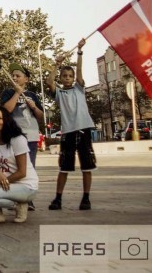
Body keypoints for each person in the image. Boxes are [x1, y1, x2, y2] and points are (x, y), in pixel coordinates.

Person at [45, 38, 95, 211]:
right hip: (68, 132)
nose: (67, 78)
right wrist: (56, 64)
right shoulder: (59, 93)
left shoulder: (79, 89)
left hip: (83, 130)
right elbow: (49, 81)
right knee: (64, 167)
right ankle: (58, 199)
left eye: (70, 76)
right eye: (64, 76)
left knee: (87, 166)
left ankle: (86, 198)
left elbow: (80, 70)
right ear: (61, 78)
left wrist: (79, 51)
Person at [0, 65, 43, 211]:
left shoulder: (32, 95)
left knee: (29, 167)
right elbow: (6, 110)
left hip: (30, 136)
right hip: (14, 136)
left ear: (27, 79)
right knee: (13, 167)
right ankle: (13, 197)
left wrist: (34, 107)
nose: (15, 78)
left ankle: (27, 199)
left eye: (18, 75)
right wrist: (17, 94)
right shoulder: (8, 93)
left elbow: (41, 116)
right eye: (13, 75)